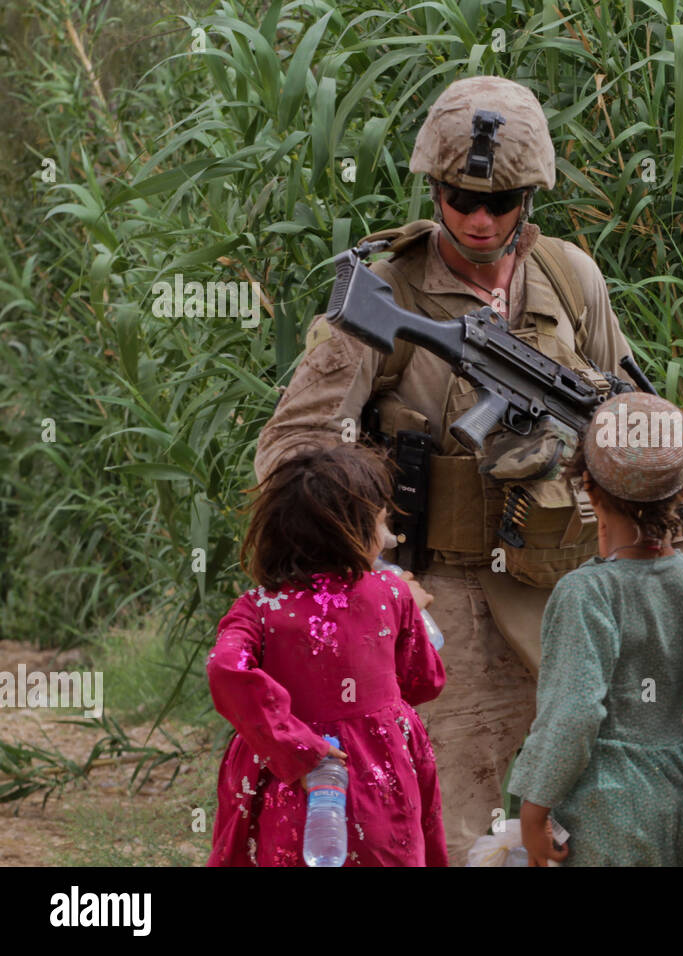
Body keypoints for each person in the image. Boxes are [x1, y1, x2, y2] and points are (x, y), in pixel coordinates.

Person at [254, 75, 637, 862]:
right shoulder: (383, 291)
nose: (479, 218)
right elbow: (291, 449)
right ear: (433, 187)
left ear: (530, 199)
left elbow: (633, 418)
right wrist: (372, 566)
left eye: (501, 202)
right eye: (461, 197)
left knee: (588, 817)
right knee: (442, 826)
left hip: (563, 591)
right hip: (437, 599)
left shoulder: (570, 279)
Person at [206, 444, 447, 866]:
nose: (386, 534)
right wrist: (410, 612)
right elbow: (423, 683)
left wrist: (294, 747)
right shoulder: (393, 594)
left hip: (289, 779)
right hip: (379, 779)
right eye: (380, 521)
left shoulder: (259, 607)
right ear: (353, 531)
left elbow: (226, 668)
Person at [507, 393, 683, 866]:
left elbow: (574, 712)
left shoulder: (586, 592)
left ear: (586, 486)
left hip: (611, 810)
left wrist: (533, 812)